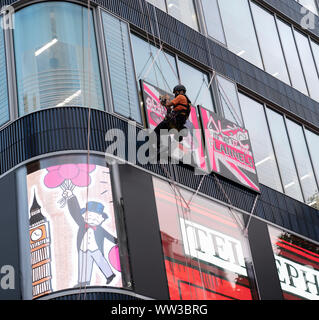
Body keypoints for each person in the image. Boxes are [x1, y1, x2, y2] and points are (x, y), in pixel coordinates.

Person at [153, 84, 191, 152]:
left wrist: (164, 100)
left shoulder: (181, 97)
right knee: (164, 132)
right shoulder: (188, 104)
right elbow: (170, 109)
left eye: (176, 92)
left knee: (157, 131)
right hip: (180, 122)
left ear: (181, 91)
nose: (175, 94)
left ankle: (159, 147)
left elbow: (168, 104)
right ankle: (165, 145)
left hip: (175, 120)